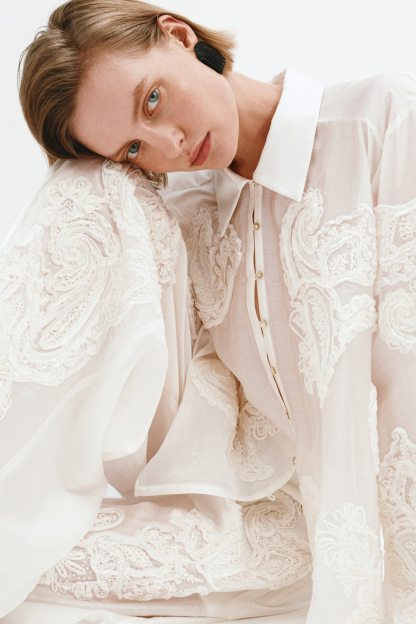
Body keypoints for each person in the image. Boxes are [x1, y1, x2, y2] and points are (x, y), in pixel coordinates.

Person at [6, 0, 416, 622]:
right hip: (274, 533)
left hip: (378, 532)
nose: (168, 144)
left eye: (152, 99)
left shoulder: (378, 120)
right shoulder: (186, 217)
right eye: (133, 148)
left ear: (177, 34)